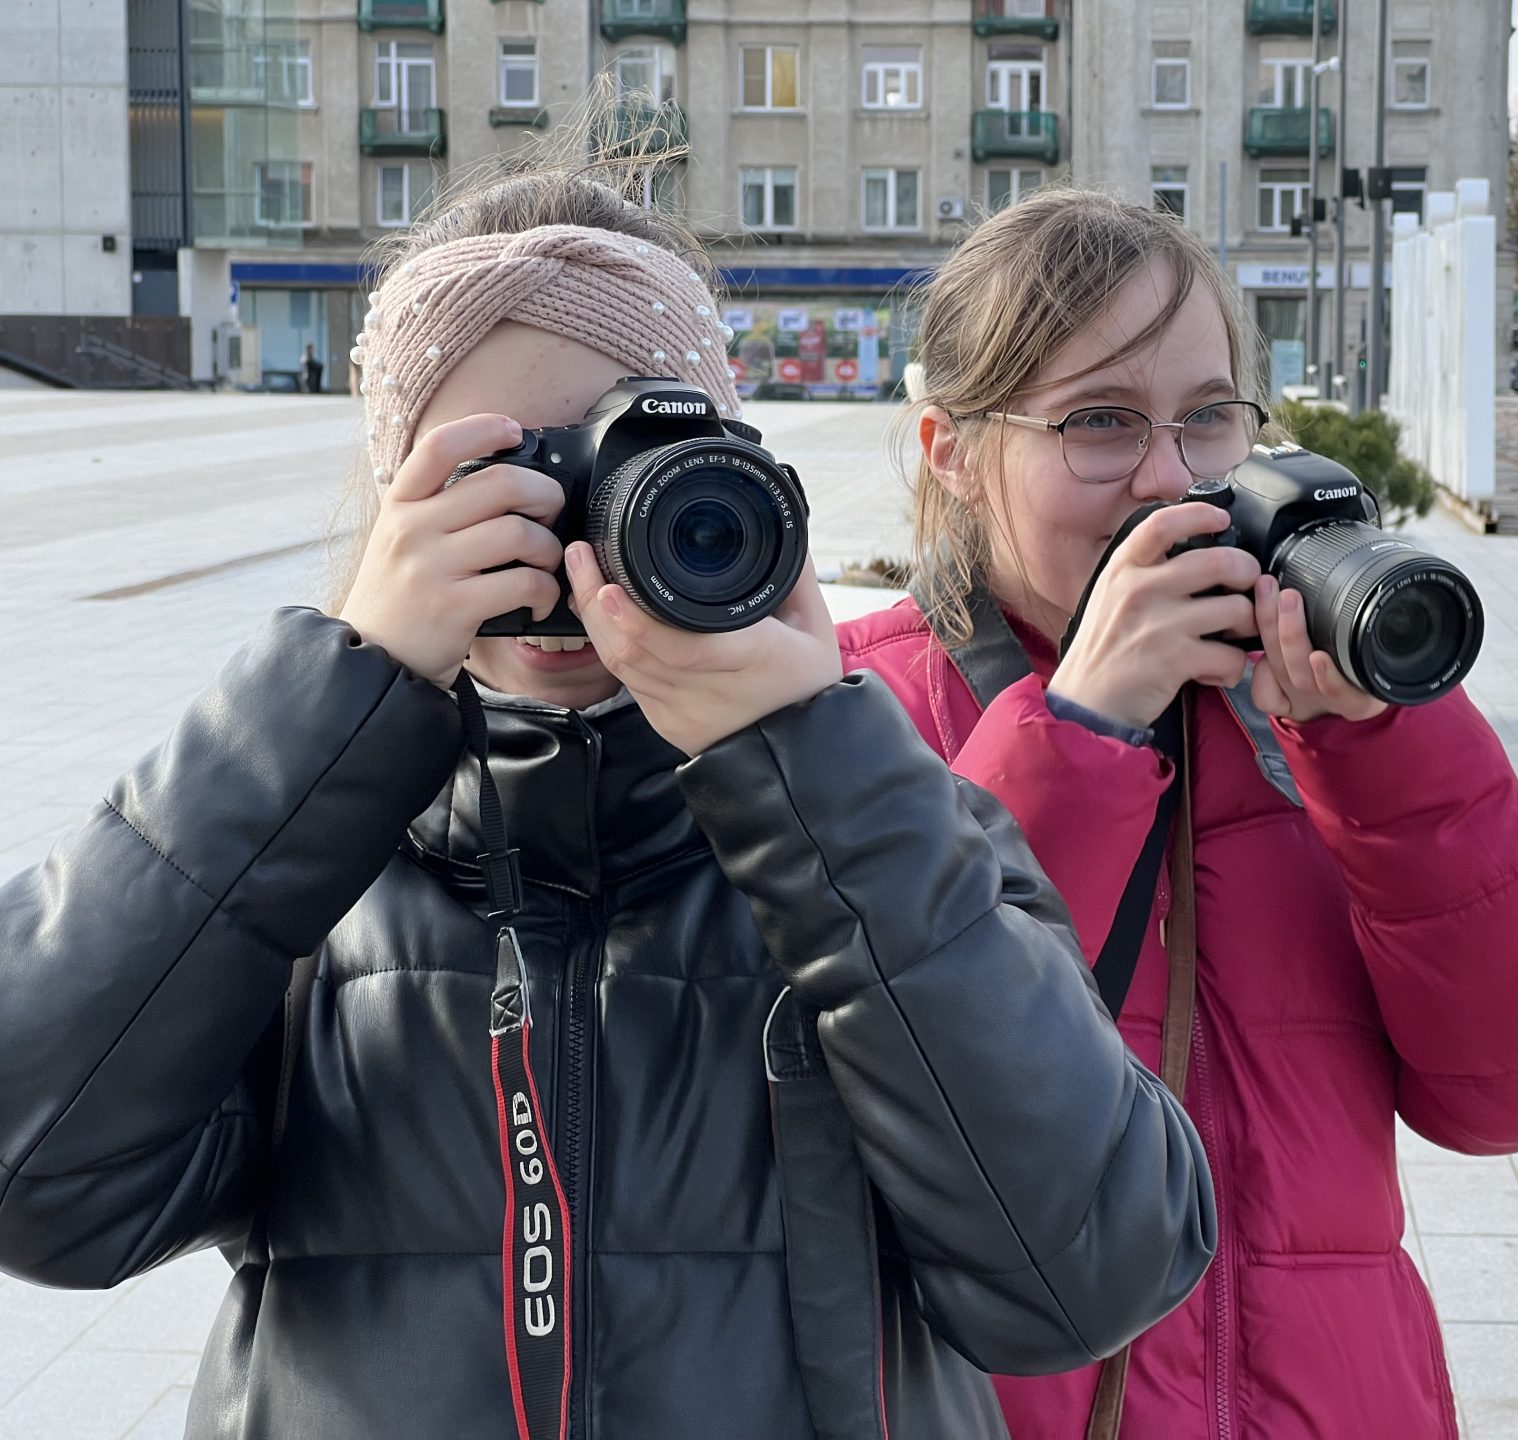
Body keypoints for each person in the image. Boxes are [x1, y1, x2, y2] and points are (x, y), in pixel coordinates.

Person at [0, 122, 1215, 1439]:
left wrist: (816, 772)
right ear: (399, 504)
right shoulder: (307, 871)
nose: (572, 541)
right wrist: (334, 703)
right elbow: (38, 1181)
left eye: (621, 467)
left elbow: (1092, 1273)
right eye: (499, 479)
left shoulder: (885, 827)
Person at [839, 189, 1518, 1439]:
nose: (1170, 477)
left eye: (1207, 418)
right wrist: (1084, 729)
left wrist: (1385, 749)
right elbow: (881, 1112)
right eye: (1100, 422)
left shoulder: (1301, 712)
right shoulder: (850, 716)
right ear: (951, 450)